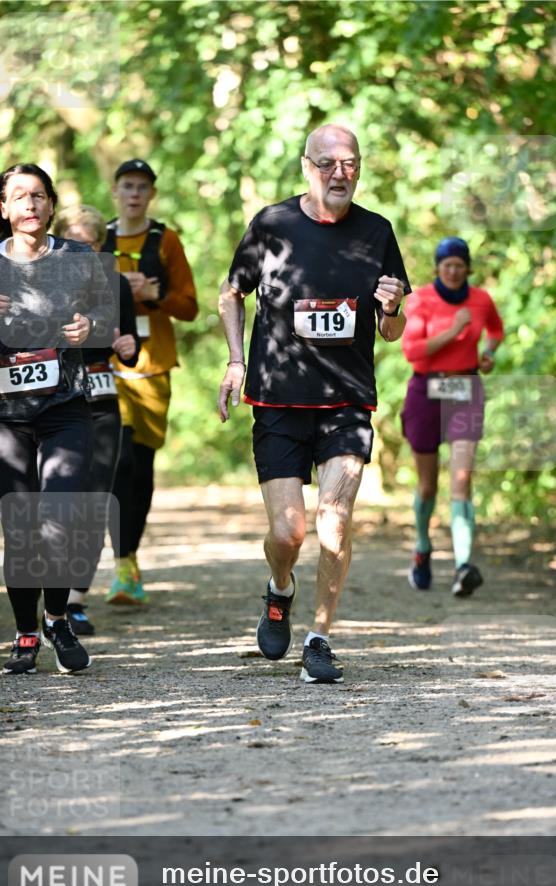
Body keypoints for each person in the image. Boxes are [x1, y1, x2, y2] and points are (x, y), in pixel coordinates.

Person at [218, 124, 410, 684]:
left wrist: (393, 307)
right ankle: (280, 589)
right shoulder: (272, 224)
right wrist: (235, 360)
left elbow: (392, 331)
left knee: (336, 523)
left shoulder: (377, 232)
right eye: (326, 163)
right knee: (289, 534)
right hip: (277, 400)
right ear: (307, 167)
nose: (338, 173)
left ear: (360, 168)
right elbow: (232, 292)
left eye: (348, 163)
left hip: (347, 401)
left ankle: (320, 637)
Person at [0, 163, 113, 674]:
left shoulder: (78, 256)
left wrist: (89, 328)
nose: (30, 204)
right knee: (22, 525)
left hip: (64, 408)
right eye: (19, 197)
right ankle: (26, 632)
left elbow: (107, 321)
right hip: (2, 416)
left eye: (39, 195)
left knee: (63, 517)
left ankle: (56, 618)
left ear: (51, 205)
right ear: (3, 208)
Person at [101, 159, 199, 605]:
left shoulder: (166, 240)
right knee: (117, 461)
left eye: (142, 187)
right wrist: (116, 290)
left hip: (154, 368)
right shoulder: (97, 238)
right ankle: (121, 563)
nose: (134, 194)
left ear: (152, 194)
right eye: (127, 186)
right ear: (115, 191)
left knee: (140, 467)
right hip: (106, 366)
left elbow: (191, 306)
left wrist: (154, 294)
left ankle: (130, 559)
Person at [401, 237, 504, 596]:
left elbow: (496, 329)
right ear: (438, 267)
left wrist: (488, 353)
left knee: (461, 480)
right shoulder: (421, 300)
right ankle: (423, 547)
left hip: (466, 390)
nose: (454, 270)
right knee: (428, 485)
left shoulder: (481, 299)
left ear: (468, 267)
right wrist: (454, 331)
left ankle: (463, 566)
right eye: (447, 264)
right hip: (426, 390)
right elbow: (412, 351)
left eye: (460, 264)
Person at [55, 205, 140, 635]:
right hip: (55, 402)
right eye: (74, 243)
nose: (83, 252)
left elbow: (131, 345)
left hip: (103, 400)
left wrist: (127, 347)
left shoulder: (116, 283)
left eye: (91, 244)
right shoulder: (44, 284)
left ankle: (75, 602)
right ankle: (50, 594)